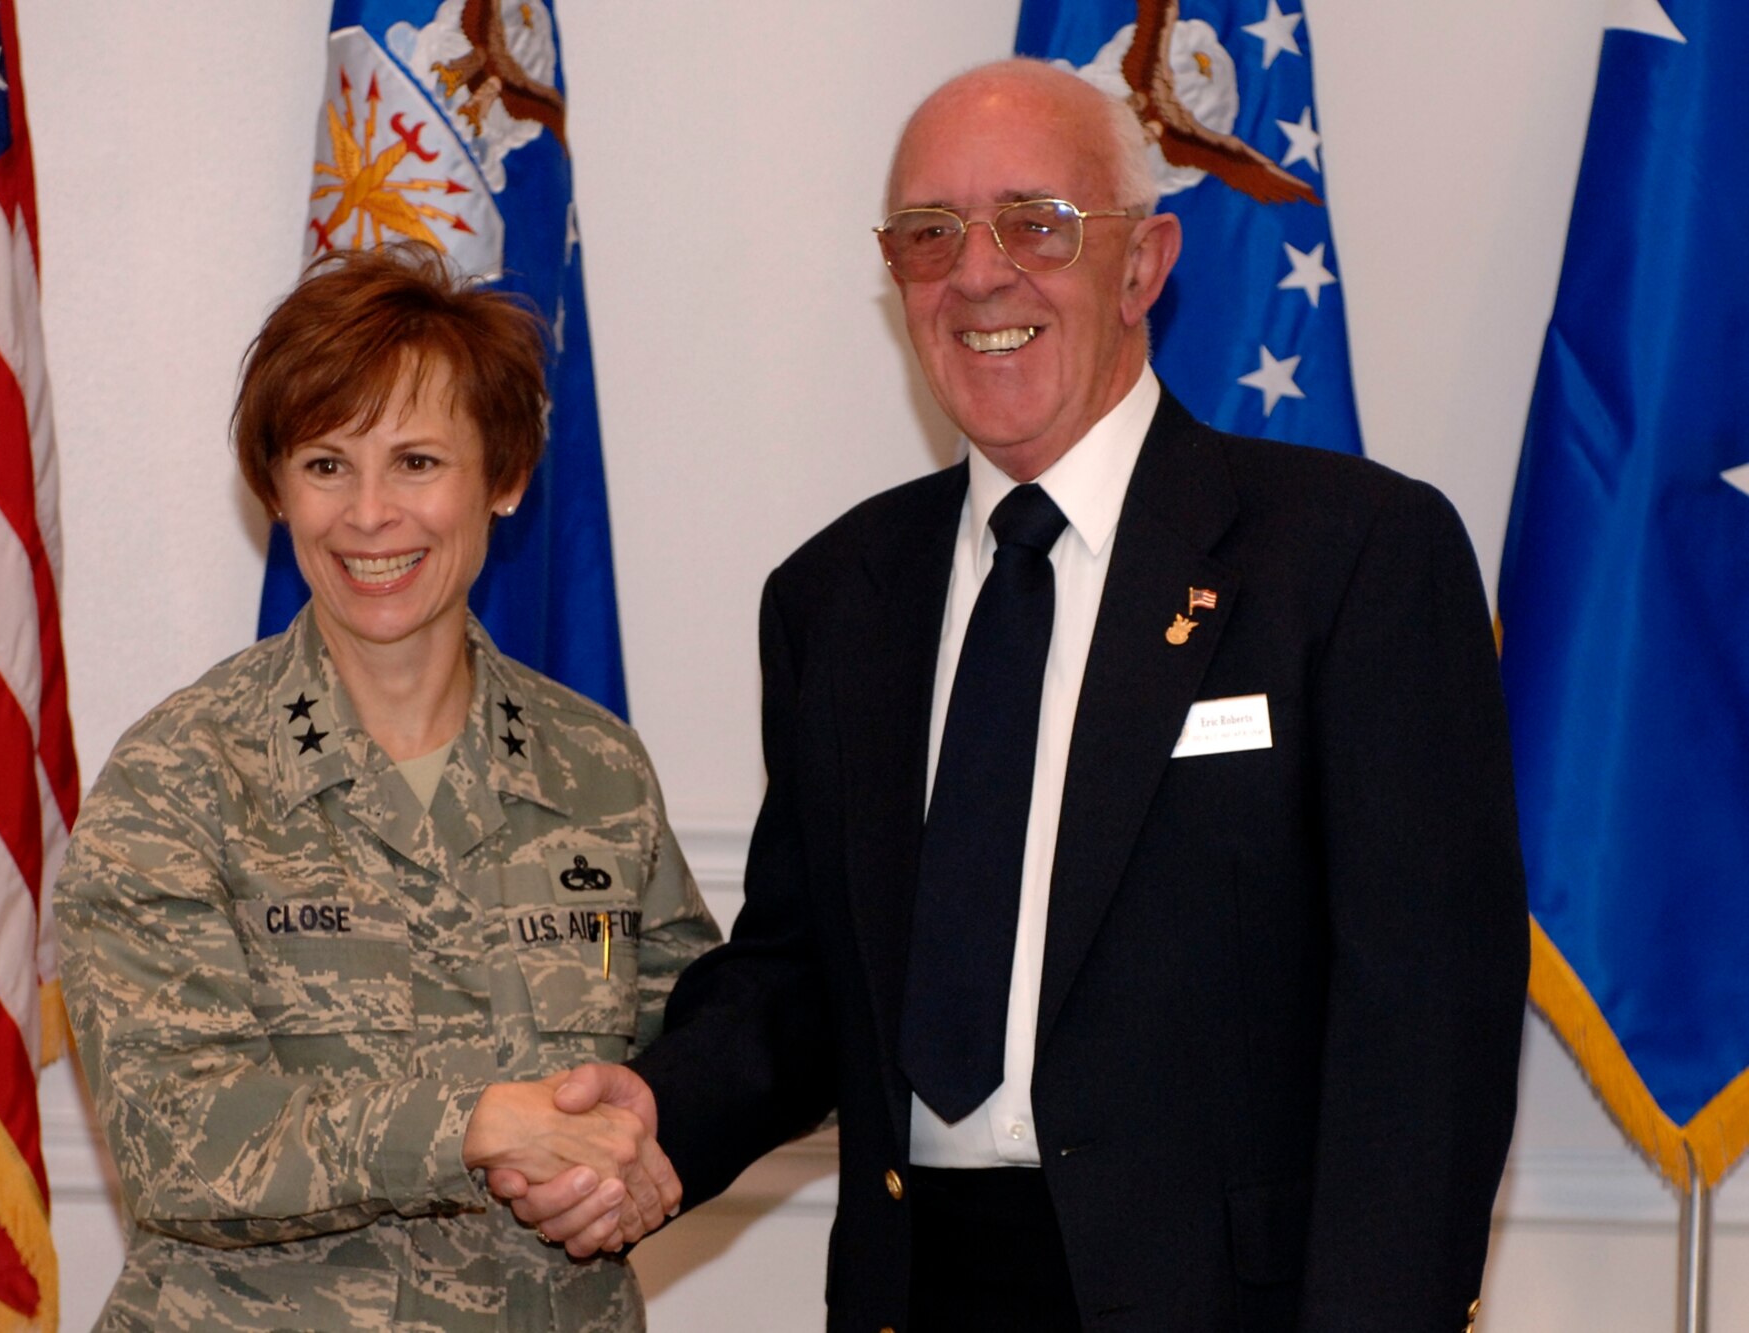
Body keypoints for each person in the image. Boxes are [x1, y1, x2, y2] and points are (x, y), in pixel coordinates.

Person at [492, 59, 1528, 1331]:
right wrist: (660, 1113)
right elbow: (805, 976)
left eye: (1035, 225)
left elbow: (1425, 1022)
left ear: (1142, 263)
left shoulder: (1349, 556)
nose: (978, 275)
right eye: (929, 238)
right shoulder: (834, 597)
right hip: (917, 1288)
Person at [55, 243, 719, 1332]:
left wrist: (644, 1157)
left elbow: (687, 1049)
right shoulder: (180, 778)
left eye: (416, 461)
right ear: (274, 487)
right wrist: (479, 1123)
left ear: (502, 478)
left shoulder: (596, 771)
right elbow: (177, 1140)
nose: (369, 514)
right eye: (324, 464)